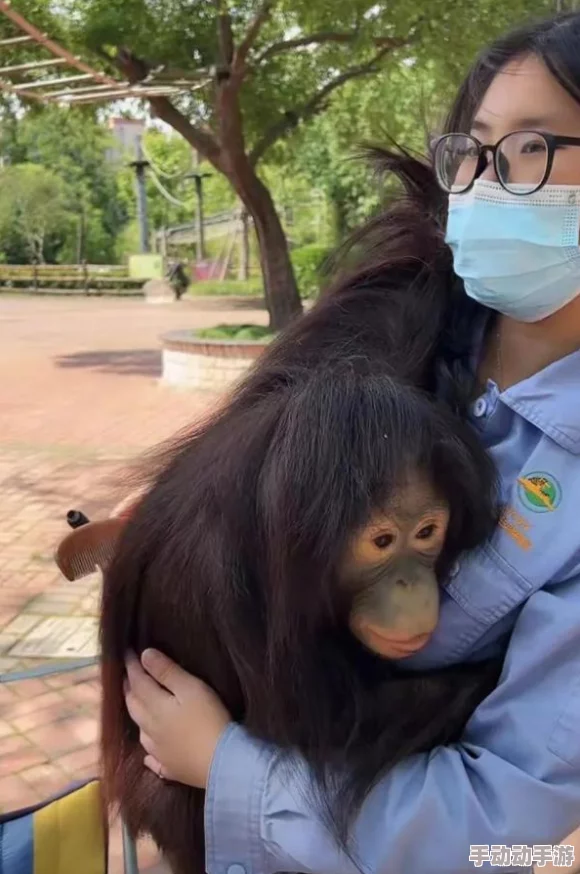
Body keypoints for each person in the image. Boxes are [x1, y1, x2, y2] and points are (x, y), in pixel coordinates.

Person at [123, 11, 580, 874]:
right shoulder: (395, 311)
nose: (483, 181)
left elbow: (504, 834)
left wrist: (230, 769)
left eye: (531, 149)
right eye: (475, 147)